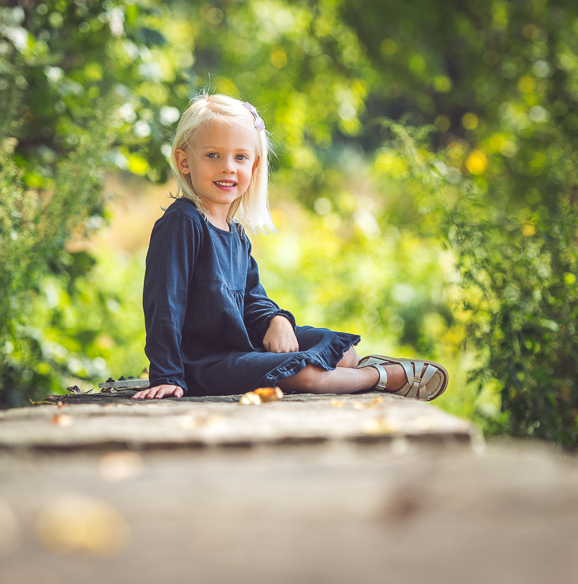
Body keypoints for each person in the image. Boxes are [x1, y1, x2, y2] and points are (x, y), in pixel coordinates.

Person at [132, 93, 448, 401]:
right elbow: (164, 305)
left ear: (254, 167)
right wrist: (168, 376)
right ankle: (380, 377)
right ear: (184, 162)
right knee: (307, 374)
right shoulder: (183, 223)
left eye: (240, 157)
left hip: (242, 347)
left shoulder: (237, 234)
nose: (228, 167)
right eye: (213, 155)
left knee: (345, 353)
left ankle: (357, 369)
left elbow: (253, 297)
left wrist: (276, 320)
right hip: (203, 365)